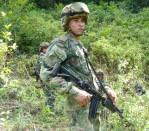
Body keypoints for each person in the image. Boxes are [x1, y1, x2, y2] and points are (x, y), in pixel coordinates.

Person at [40, 2, 116, 131]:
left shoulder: (78, 46)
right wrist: (73, 91)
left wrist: (106, 89)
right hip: (79, 108)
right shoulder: (62, 44)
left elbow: (89, 75)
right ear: (67, 23)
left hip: (92, 106)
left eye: (83, 20)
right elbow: (46, 74)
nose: (81, 24)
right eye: (75, 20)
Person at [35, 42, 56, 110]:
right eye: (45, 48)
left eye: (47, 47)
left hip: (48, 79)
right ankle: (50, 111)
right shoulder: (42, 57)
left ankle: (47, 110)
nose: (46, 49)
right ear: (41, 49)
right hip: (45, 79)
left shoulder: (47, 56)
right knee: (51, 96)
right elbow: (42, 70)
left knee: (50, 95)